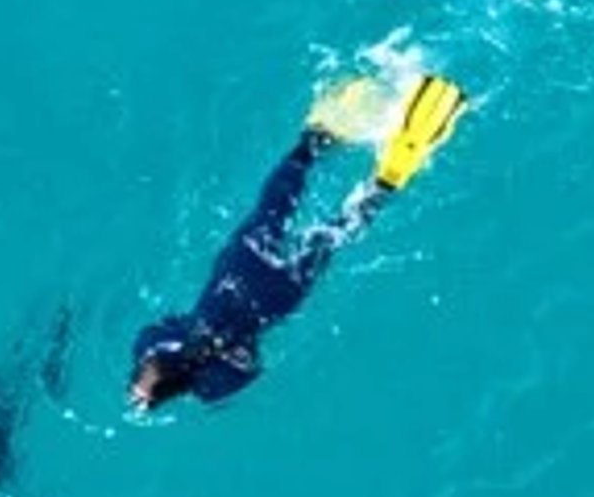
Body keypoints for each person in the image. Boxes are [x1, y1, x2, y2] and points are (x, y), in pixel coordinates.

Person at [128, 67, 466, 413]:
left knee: (324, 231)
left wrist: (219, 348)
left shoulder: (206, 383)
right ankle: (322, 148)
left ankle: (374, 176)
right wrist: (212, 344)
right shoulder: (162, 354)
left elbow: (248, 366)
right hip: (245, 272)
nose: (138, 389)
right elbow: (178, 332)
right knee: (288, 215)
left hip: (269, 291)